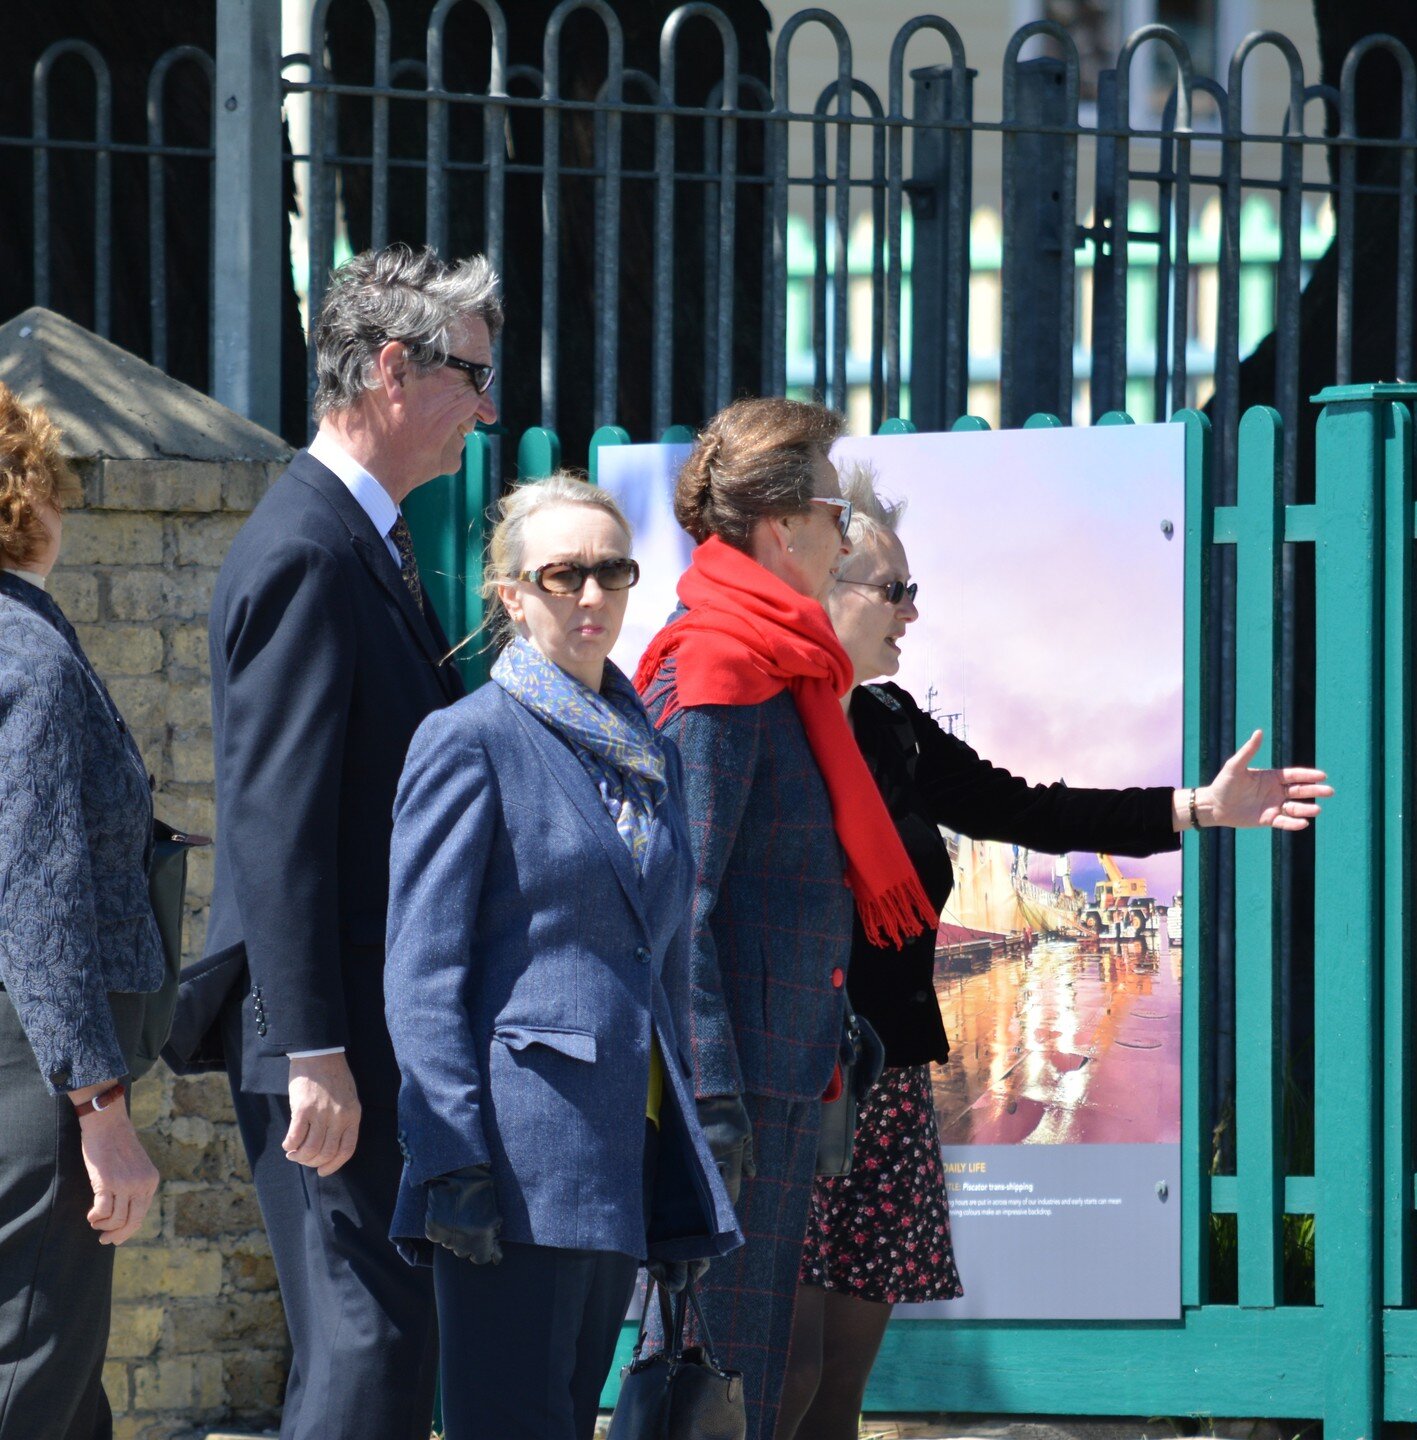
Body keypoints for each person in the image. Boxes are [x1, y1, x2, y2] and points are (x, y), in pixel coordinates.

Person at [775, 465, 1334, 1440]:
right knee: (786, 1374)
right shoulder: (762, 725)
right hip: (795, 1082)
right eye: (895, 589)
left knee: (837, 1401)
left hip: (890, 1076)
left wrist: (1197, 810)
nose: (915, 611)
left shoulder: (898, 728)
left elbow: (1030, 808)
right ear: (826, 584)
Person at [201, 244, 497, 1440]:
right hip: (318, 1037)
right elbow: (275, 820)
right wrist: (313, 1048)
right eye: (473, 375)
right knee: (368, 1344)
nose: (488, 408)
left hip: (363, 1025)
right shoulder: (307, 547)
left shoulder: (356, 536)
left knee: (374, 1344)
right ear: (390, 369)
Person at [385, 475, 740, 1440]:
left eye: (612, 572)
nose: (592, 597)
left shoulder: (647, 751)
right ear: (510, 594)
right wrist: (449, 1155)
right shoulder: (467, 742)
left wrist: (689, 1154)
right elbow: (423, 974)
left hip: (621, 1159)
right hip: (508, 1164)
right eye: (563, 574)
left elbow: (664, 963)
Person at [633, 397, 936, 1440]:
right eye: (833, 515)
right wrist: (713, 1102)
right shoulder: (720, 670)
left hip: (780, 1077)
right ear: (780, 526)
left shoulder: (778, 662)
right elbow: (685, 906)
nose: (845, 535)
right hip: (740, 1098)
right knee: (724, 1377)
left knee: (754, 1381)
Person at [0, 385, 165, 1440]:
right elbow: (37, 889)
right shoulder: (27, 658)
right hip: (32, 1069)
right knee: (34, 1370)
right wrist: (100, 1109)